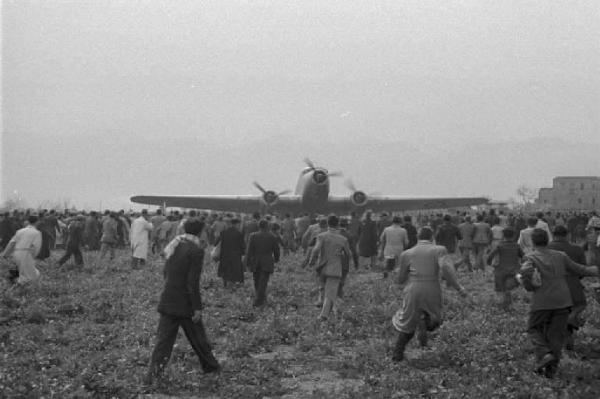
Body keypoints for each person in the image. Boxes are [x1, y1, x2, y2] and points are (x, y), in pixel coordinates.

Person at [145, 219, 220, 384]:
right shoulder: (196, 251)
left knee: (163, 343)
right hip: (185, 303)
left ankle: (152, 377)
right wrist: (197, 307)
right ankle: (211, 367)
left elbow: (166, 272)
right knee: (198, 338)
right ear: (200, 232)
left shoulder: (175, 245)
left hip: (168, 299)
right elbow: (192, 282)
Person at [518, 229, 598, 378]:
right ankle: (550, 372)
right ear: (547, 240)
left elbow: (526, 276)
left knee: (533, 328)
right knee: (556, 336)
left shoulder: (530, 257)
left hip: (542, 302)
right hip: (563, 301)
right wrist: (595, 270)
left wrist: (526, 282)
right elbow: (580, 269)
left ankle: (544, 353)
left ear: (533, 242)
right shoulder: (560, 256)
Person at [391, 227, 467, 361]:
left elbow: (400, 279)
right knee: (435, 318)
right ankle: (425, 322)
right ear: (432, 237)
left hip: (413, 288)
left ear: (417, 238)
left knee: (407, 323)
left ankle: (397, 354)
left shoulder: (407, 253)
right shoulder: (439, 250)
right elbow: (445, 268)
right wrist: (459, 288)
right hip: (432, 286)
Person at [547, 225, 588, 351]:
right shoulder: (577, 249)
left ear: (553, 235)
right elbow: (582, 269)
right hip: (573, 286)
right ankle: (569, 344)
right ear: (568, 235)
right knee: (578, 306)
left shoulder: (546, 249)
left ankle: (557, 347)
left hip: (552, 288)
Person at [310, 215, 351, 320]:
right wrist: (346, 266)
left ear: (327, 223)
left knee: (322, 287)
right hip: (335, 268)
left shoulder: (321, 236)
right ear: (337, 224)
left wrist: (312, 261)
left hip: (322, 266)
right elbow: (348, 254)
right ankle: (324, 315)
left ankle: (323, 305)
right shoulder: (343, 239)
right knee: (330, 293)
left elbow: (316, 249)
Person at [246, 219, 280, 307]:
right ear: (267, 226)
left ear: (259, 226)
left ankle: (259, 298)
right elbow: (276, 250)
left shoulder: (253, 236)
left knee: (256, 280)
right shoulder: (272, 236)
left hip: (255, 260)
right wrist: (276, 259)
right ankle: (259, 300)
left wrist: (248, 261)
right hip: (267, 260)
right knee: (263, 281)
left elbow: (249, 250)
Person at [486, 228, 523, 310]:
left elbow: (490, 256)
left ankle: (503, 305)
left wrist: (489, 263)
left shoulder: (500, 245)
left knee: (500, 289)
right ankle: (508, 305)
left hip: (500, 270)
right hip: (514, 270)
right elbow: (523, 256)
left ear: (503, 236)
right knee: (508, 288)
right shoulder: (517, 246)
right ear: (513, 236)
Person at [1, 215, 42, 285]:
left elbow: (11, 243)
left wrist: (5, 254)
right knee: (31, 277)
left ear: (28, 222)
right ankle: (14, 280)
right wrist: (33, 256)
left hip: (16, 253)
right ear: (37, 222)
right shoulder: (37, 233)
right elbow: (36, 247)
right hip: (27, 254)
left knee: (24, 270)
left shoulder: (20, 231)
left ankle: (14, 277)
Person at [215, 218, 245, 287]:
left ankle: (225, 284)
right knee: (234, 271)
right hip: (235, 255)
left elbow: (217, 242)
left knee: (225, 269)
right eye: (239, 224)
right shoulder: (239, 234)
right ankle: (232, 285)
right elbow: (242, 246)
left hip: (224, 254)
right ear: (237, 224)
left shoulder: (223, 232)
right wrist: (242, 253)